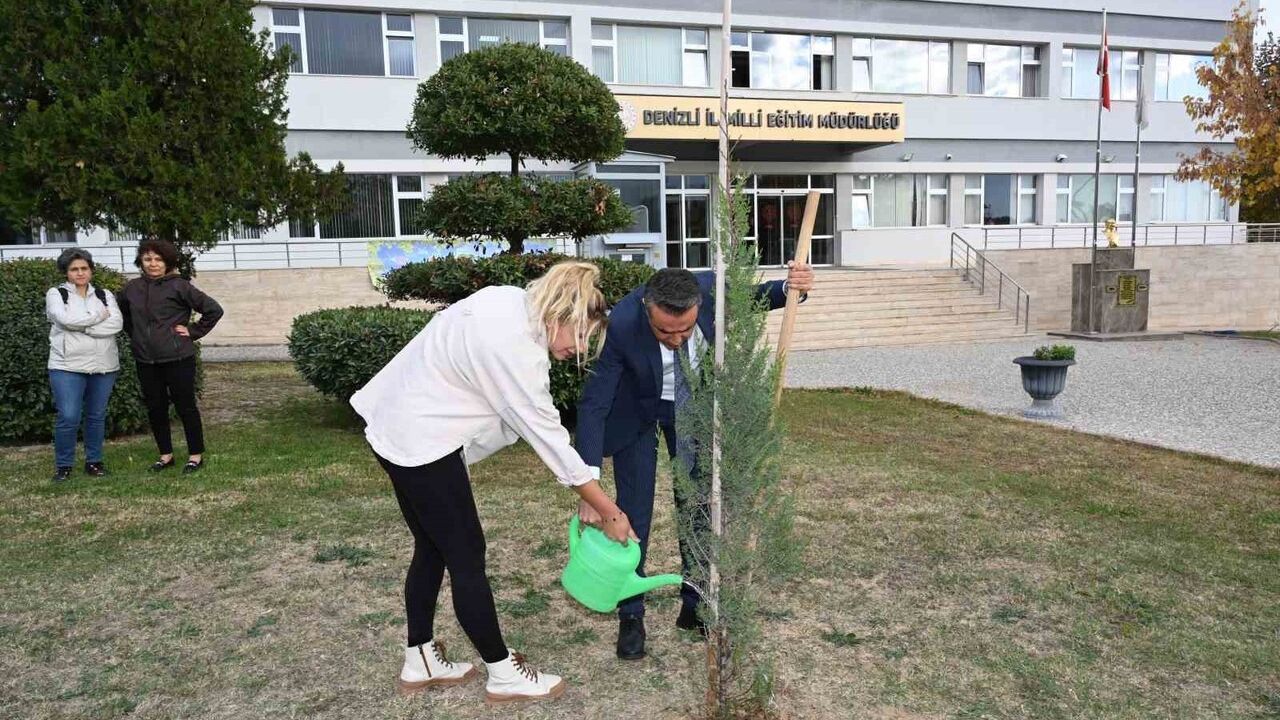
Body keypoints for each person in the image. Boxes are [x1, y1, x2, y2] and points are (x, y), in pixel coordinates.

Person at [350, 261, 638, 705]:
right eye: (581, 335)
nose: (580, 348)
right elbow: (549, 438)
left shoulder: (504, 300)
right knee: (467, 556)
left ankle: (420, 659)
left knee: (433, 547)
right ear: (560, 314)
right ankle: (503, 674)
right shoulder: (516, 348)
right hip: (422, 444)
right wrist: (609, 510)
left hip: (394, 427)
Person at [575, 262, 814, 660]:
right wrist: (588, 483)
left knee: (697, 504)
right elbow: (594, 403)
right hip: (636, 413)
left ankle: (695, 601)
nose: (676, 339)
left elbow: (758, 296)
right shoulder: (624, 323)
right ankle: (631, 615)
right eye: (664, 331)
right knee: (631, 515)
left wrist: (794, 287)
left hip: (692, 409)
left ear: (698, 305)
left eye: (685, 329)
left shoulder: (711, 290)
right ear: (648, 309)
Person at [117, 238, 223, 474]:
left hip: (178, 358)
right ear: (141, 262)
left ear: (167, 263)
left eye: (158, 259)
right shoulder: (131, 288)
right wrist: (136, 336)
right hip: (146, 360)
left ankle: (195, 456)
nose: (153, 263)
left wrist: (193, 331)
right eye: (148, 259)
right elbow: (123, 315)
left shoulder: (180, 286)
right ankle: (166, 455)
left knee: (186, 407)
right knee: (156, 408)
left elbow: (213, 310)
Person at [45, 248, 124, 483]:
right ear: (66, 272)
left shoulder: (104, 295)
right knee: (69, 416)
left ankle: (94, 462)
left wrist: (83, 328)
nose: (80, 273)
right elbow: (64, 319)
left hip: (103, 365)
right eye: (74, 269)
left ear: (91, 270)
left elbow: (116, 324)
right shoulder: (57, 294)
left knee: (96, 415)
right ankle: (64, 466)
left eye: (84, 268)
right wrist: (98, 318)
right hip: (66, 366)